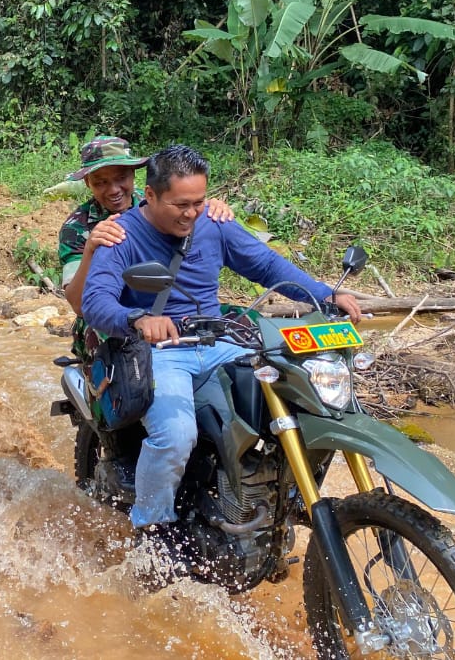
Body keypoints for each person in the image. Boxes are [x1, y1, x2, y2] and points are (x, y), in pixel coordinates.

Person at [80, 145, 362, 534]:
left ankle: (282, 499)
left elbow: (266, 264)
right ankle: (151, 529)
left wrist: (325, 293)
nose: (191, 213)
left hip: (218, 343)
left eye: (199, 201)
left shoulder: (214, 223)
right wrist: (139, 318)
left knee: (303, 394)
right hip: (160, 353)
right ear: (150, 196)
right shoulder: (121, 235)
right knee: (175, 436)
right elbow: (95, 301)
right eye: (181, 204)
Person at [58, 135, 233, 363]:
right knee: (124, 364)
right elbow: (79, 305)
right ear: (87, 183)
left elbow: (189, 212)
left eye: (121, 178)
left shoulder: (155, 203)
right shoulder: (77, 228)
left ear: (133, 175)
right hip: (106, 317)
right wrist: (91, 249)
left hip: (166, 308)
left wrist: (207, 210)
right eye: (101, 182)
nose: (113, 190)